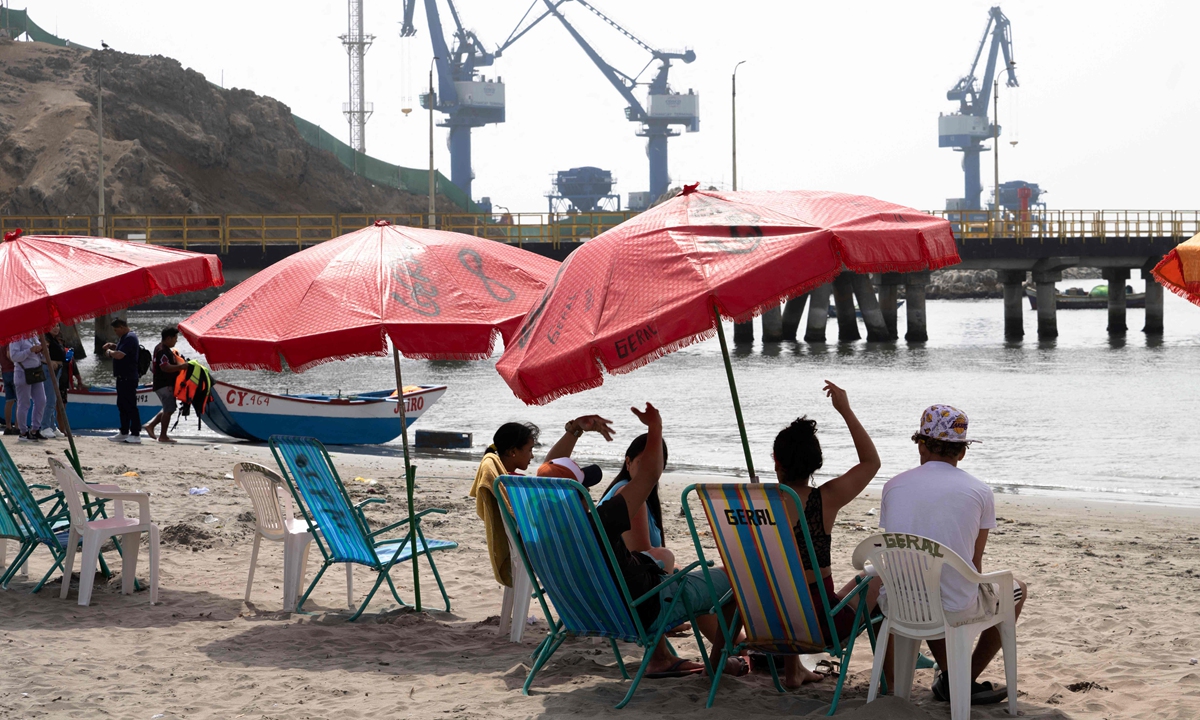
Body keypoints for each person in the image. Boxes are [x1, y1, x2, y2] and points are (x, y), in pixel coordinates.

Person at [550, 403, 743, 678]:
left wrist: (575, 430)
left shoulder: (544, 528)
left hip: (591, 611)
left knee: (675, 573)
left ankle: (668, 656)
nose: (588, 492)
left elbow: (549, 471)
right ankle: (718, 663)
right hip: (640, 609)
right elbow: (649, 476)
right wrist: (655, 426)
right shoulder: (601, 520)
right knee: (734, 577)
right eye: (583, 487)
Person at [878, 404, 1028, 705]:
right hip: (949, 604)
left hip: (899, 600)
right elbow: (974, 562)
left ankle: (951, 677)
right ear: (961, 452)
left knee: (929, 583)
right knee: (1016, 590)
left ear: (921, 445)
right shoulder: (979, 491)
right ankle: (962, 678)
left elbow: (894, 544)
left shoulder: (892, 486)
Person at [773, 381, 882, 688]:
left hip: (770, 622)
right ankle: (891, 674)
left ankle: (794, 670)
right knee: (879, 574)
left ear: (775, 459)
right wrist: (845, 410)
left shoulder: (756, 504)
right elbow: (871, 463)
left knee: (785, 583)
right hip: (819, 627)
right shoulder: (825, 499)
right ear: (815, 464)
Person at [469, 415, 613, 588]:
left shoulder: (509, 483)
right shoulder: (517, 484)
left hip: (526, 546)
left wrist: (574, 430)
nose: (532, 455)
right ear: (513, 451)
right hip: (548, 551)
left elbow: (550, 469)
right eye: (529, 450)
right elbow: (549, 473)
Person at [598, 434, 672, 571]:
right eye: (642, 463)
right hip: (628, 586)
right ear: (628, 463)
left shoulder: (622, 491)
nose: (648, 471)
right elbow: (644, 560)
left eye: (655, 464)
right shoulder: (628, 498)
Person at [143, 327, 188, 443]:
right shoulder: (162, 350)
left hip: (164, 384)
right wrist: (181, 367)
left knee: (169, 409)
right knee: (168, 410)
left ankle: (151, 426)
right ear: (168, 338)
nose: (176, 341)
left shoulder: (162, 348)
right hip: (164, 385)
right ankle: (163, 436)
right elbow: (165, 367)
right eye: (175, 338)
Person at [102, 318, 141, 444]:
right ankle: (124, 432)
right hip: (122, 377)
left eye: (116, 330)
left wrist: (109, 352)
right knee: (122, 405)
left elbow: (120, 355)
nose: (115, 332)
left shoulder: (130, 337)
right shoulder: (125, 338)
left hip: (128, 378)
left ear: (122, 327)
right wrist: (113, 345)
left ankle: (135, 434)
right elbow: (122, 349)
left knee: (130, 406)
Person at [7, 334, 46, 443]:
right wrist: (30, 350)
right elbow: (14, 356)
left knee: (41, 400)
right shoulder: (16, 338)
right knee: (24, 403)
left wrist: (41, 350)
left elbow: (40, 355)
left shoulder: (33, 336)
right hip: (23, 372)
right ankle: (23, 432)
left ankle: (35, 429)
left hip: (36, 371)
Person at [0, 343, 16, 435]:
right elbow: (9, 355)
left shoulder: (2, 343)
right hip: (13, 371)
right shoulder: (10, 343)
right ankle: (18, 426)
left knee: (9, 401)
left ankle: (8, 426)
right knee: (20, 401)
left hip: (5, 372)